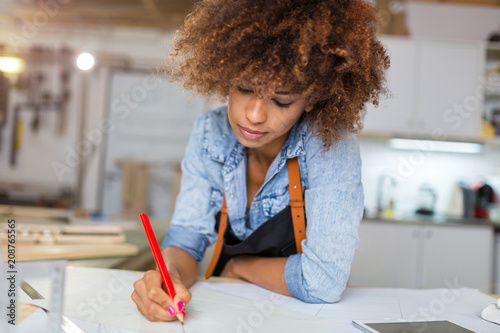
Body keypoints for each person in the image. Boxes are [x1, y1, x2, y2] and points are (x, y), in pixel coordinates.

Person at [132, 0, 389, 322]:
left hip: (300, 317)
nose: (254, 116)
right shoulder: (210, 132)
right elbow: (186, 239)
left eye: (282, 100)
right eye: (244, 88)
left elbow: (322, 282)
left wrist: (239, 265)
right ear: (225, 74)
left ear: (311, 98)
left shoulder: (329, 145)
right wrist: (167, 276)